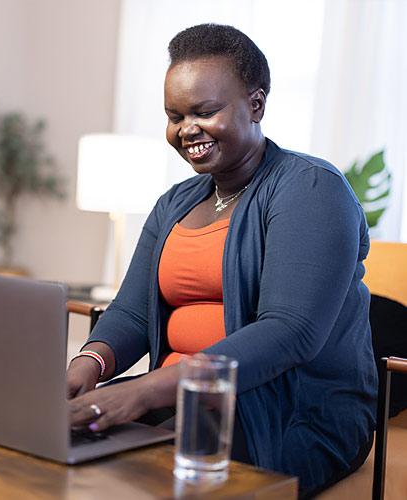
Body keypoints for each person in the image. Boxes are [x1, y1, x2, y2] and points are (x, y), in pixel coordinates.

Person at [67, 23, 377, 497]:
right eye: (174, 115)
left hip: (288, 413)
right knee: (51, 443)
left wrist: (141, 392)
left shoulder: (312, 189)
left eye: (205, 111)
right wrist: (88, 364)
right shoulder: (175, 202)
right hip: (175, 401)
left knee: (125, 478)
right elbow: (131, 312)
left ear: (256, 103)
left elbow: (289, 331)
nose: (187, 129)